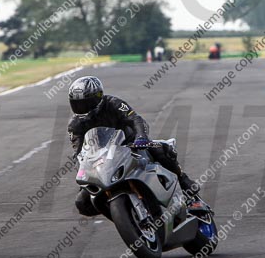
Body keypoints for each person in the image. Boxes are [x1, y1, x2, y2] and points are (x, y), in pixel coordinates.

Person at [67, 76, 202, 216]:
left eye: (86, 103)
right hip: (102, 160)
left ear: (98, 96)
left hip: (130, 145)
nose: (82, 108)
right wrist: (84, 173)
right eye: (77, 104)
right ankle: (123, 215)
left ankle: (185, 185)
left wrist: (141, 137)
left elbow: (135, 119)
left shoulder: (113, 103)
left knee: (160, 150)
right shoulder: (75, 125)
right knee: (82, 203)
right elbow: (78, 152)